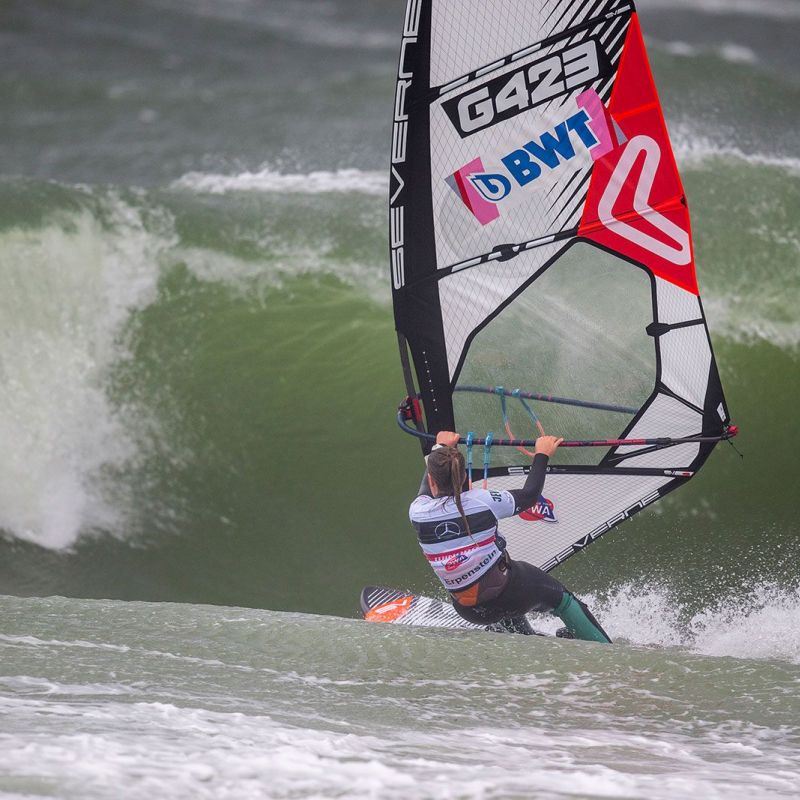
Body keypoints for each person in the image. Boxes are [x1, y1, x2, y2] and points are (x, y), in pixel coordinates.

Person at [409, 430, 611, 643]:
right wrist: (542, 454)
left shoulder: (418, 511)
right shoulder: (482, 501)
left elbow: (426, 486)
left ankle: (527, 639)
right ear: (464, 476)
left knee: (495, 592)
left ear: (432, 480)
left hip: (469, 611)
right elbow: (530, 495)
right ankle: (608, 651)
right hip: (509, 594)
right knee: (564, 602)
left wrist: (440, 446)